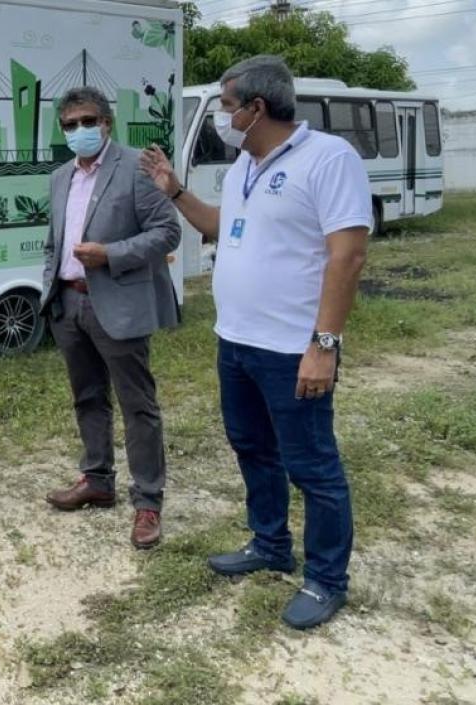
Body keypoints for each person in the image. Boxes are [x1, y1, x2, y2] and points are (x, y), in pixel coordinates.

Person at [141, 55, 370, 629]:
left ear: (256, 108)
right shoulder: (246, 162)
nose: (222, 118)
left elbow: (348, 253)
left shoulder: (328, 159)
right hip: (236, 341)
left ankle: (325, 580)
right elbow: (223, 226)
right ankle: (269, 543)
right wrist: (174, 191)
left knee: (313, 466)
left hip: (292, 348)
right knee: (252, 448)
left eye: (225, 107)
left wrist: (324, 344)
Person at [40, 86, 181, 550]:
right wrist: (51, 291)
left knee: (137, 405)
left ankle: (147, 502)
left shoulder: (136, 168)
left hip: (118, 303)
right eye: (70, 124)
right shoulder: (61, 176)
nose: (78, 130)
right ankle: (97, 478)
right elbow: (53, 240)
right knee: (87, 398)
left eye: (86, 121)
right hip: (69, 304)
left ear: (106, 123)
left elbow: (167, 231)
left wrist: (111, 254)